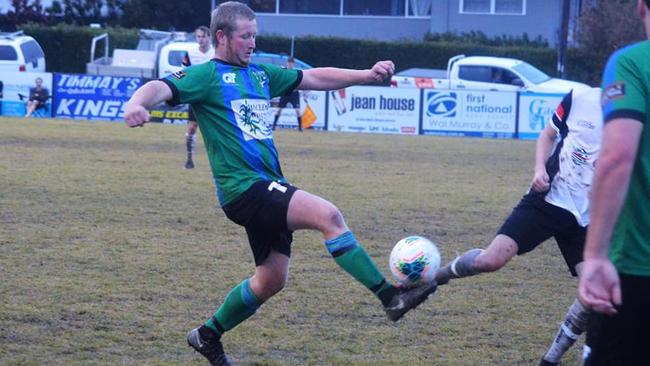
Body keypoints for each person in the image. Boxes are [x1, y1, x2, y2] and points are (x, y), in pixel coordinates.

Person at [124, 2, 437, 365]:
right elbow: (158, 87)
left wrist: (366, 75)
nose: (253, 42)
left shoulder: (259, 75)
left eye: (255, 35)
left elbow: (315, 78)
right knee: (328, 216)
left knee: (271, 279)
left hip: (265, 185)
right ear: (221, 37)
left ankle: (207, 335)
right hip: (245, 189)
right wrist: (136, 103)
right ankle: (391, 298)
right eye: (246, 35)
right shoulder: (206, 76)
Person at [434, 87, 603, 366]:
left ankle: (550, 360)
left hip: (589, 219)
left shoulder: (636, 120)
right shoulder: (580, 98)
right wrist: (539, 170)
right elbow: (548, 135)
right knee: (490, 260)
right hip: (549, 199)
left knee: (593, 292)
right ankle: (436, 278)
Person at [578, 1, 650, 364]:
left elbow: (617, 157)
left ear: (641, 8)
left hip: (637, 267)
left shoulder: (633, 62)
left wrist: (593, 256)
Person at [182, 25, 214, 169]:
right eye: (198, 37)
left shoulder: (216, 52)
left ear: (209, 37)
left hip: (213, 97)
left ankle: (220, 161)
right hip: (196, 97)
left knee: (215, 130)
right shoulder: (190, 53)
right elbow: (184, 73)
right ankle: (189, 159)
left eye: (203, 36)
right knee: (192, 128)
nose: (200, 39)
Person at [271, 56, 306, 132]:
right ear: (287, 63)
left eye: (292, 63)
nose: (290, 64)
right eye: (289, 62)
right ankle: (273, 126)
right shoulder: (284, 71)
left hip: (294, 93)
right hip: (285, 92)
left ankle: (300, 128)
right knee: (279, 110)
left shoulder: (296, 71)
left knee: (297, 111)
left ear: (293, 64)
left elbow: (301, 82)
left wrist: (303, 93)